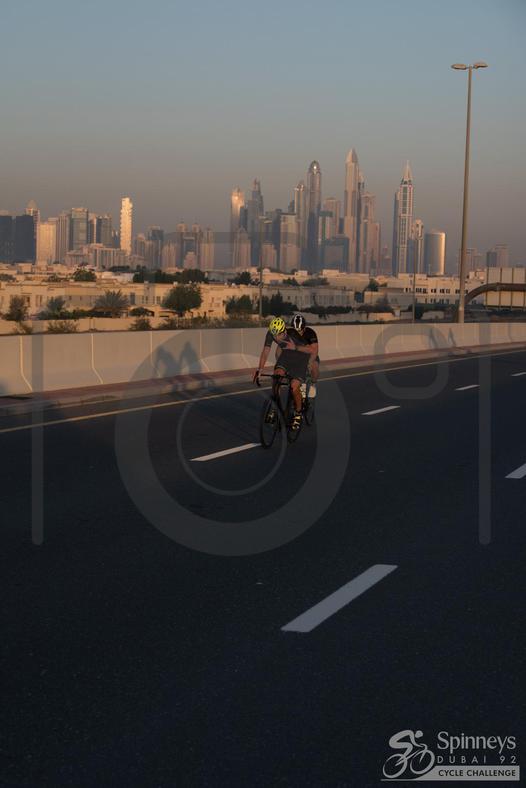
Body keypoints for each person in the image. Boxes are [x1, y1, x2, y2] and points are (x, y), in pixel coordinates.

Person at [253, 316, 308, 429]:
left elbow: (308, 351)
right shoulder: (272, 333)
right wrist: (260, 369)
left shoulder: (293, 336)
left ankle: (298, 413)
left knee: (294, 386)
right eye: (274, 335)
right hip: (286, 355)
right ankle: (275, 407)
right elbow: (265, 351)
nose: (276, 338)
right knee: (276, 376)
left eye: (278, 335)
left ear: (284, 332)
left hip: (301, 358)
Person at [287, 313, 319, 394]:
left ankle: (313, 384)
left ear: (304, 328)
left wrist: (310, 363)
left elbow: (315, 350)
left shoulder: (310, 333)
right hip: (297, 355)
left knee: (314, 367)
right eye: (295, 331)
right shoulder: (289, 333)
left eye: (300, 331)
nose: (297, 333)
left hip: (310, 354)